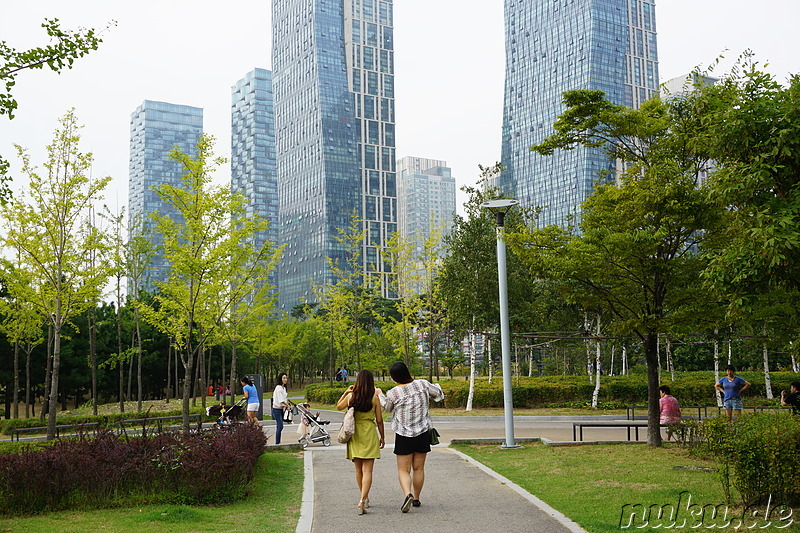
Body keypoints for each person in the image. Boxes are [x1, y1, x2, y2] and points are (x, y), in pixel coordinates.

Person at [377, 362, 444, 513]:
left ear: (394, 377)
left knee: (403, 469)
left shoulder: (394, 393)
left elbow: (387, 407)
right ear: (407, 372)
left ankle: (408, 494)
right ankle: (417, 499)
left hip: (403, 435)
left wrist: (379, 394)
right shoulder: (422, 384)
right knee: (419, 468)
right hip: (422, 434)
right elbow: (438, 395)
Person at [336, 369, 385, 515]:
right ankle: (363, 499)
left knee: (358, 470)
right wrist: (382, 437)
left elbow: (338, 406)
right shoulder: (374, 398)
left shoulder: (352, 397)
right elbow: (380, 420)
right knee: (368, 470)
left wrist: (345, 392)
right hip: (369, 431)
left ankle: (363, 498)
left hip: (355, 433)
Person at [272, 373, 289, 444]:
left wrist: (286, 406)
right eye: (284, 378)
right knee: (280, 426)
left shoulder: (284, 388)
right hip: (276, 410)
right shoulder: (278, 388)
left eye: (286, 378)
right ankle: (277, 443)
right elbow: (281, 400)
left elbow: (284, 399)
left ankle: (278, 442)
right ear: (280, 379)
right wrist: (287, 405)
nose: (285, 379)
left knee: (279, 426)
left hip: (281, 409)